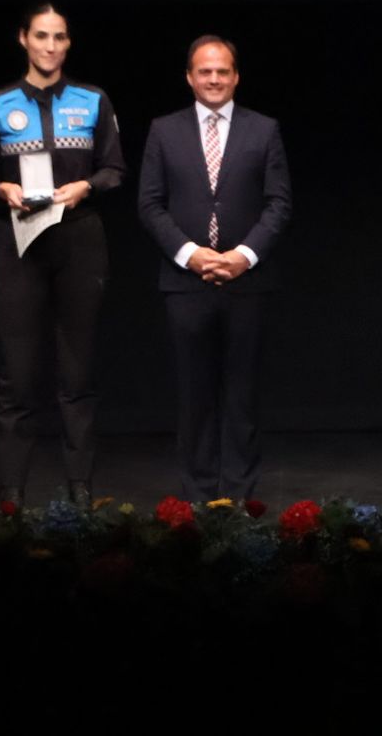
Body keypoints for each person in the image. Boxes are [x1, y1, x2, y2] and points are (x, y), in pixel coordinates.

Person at [0, 3, 124, 508]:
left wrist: (86, 186)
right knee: (17, 376)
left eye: (59, 37)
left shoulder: (92, 100)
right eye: (41, 36)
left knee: (77, 375)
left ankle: (81, 490)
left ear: (68, 43)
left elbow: (114, 170)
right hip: (19, 242)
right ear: (23, 39)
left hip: (79, 240)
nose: (50, 46)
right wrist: (2, 189)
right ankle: (11, 496)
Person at [138, 36, 292, 503]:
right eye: (205, 71)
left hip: (248, 282)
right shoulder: (164, 131)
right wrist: (190, 253)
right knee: (194, 397)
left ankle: (241, 498)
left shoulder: (263, 129)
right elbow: (150, 204)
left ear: (236, 76)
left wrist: (243, 255)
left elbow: (279, 203)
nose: (214, 79)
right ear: (189, 77)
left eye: (222, 71)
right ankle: (199, 499)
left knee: (243, 396)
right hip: (186, 282)